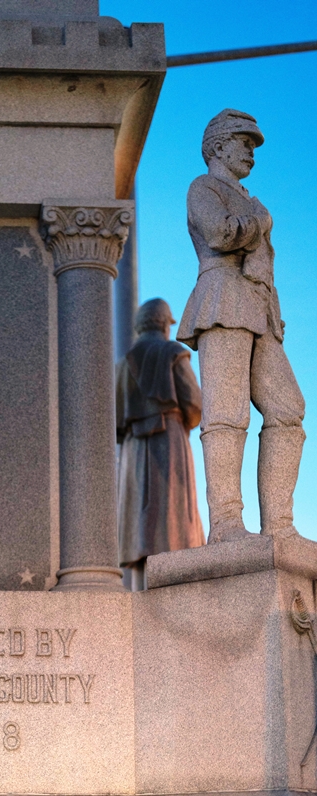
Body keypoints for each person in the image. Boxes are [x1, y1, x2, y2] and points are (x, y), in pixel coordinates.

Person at [177, 108, 305, 544]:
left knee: (288, 408)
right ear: (217, 146)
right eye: (243, 141)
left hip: (260, 310)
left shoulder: (251, 197)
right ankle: (227, 524)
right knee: (226, 413)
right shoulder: (204, 187)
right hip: (223, 301)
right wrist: (259, 222)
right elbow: (219, 234)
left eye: (252, 145)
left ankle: (280, 526)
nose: (251, 151)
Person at [116, 298, 205, 590]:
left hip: (133, 449)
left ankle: (143, 588)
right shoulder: (172, 353)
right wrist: (185, 420)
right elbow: (194, 402)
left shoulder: (123, 364)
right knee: (174, 519)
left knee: (141, 524)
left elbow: (115, 420)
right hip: (169, 441)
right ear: (164, 324)